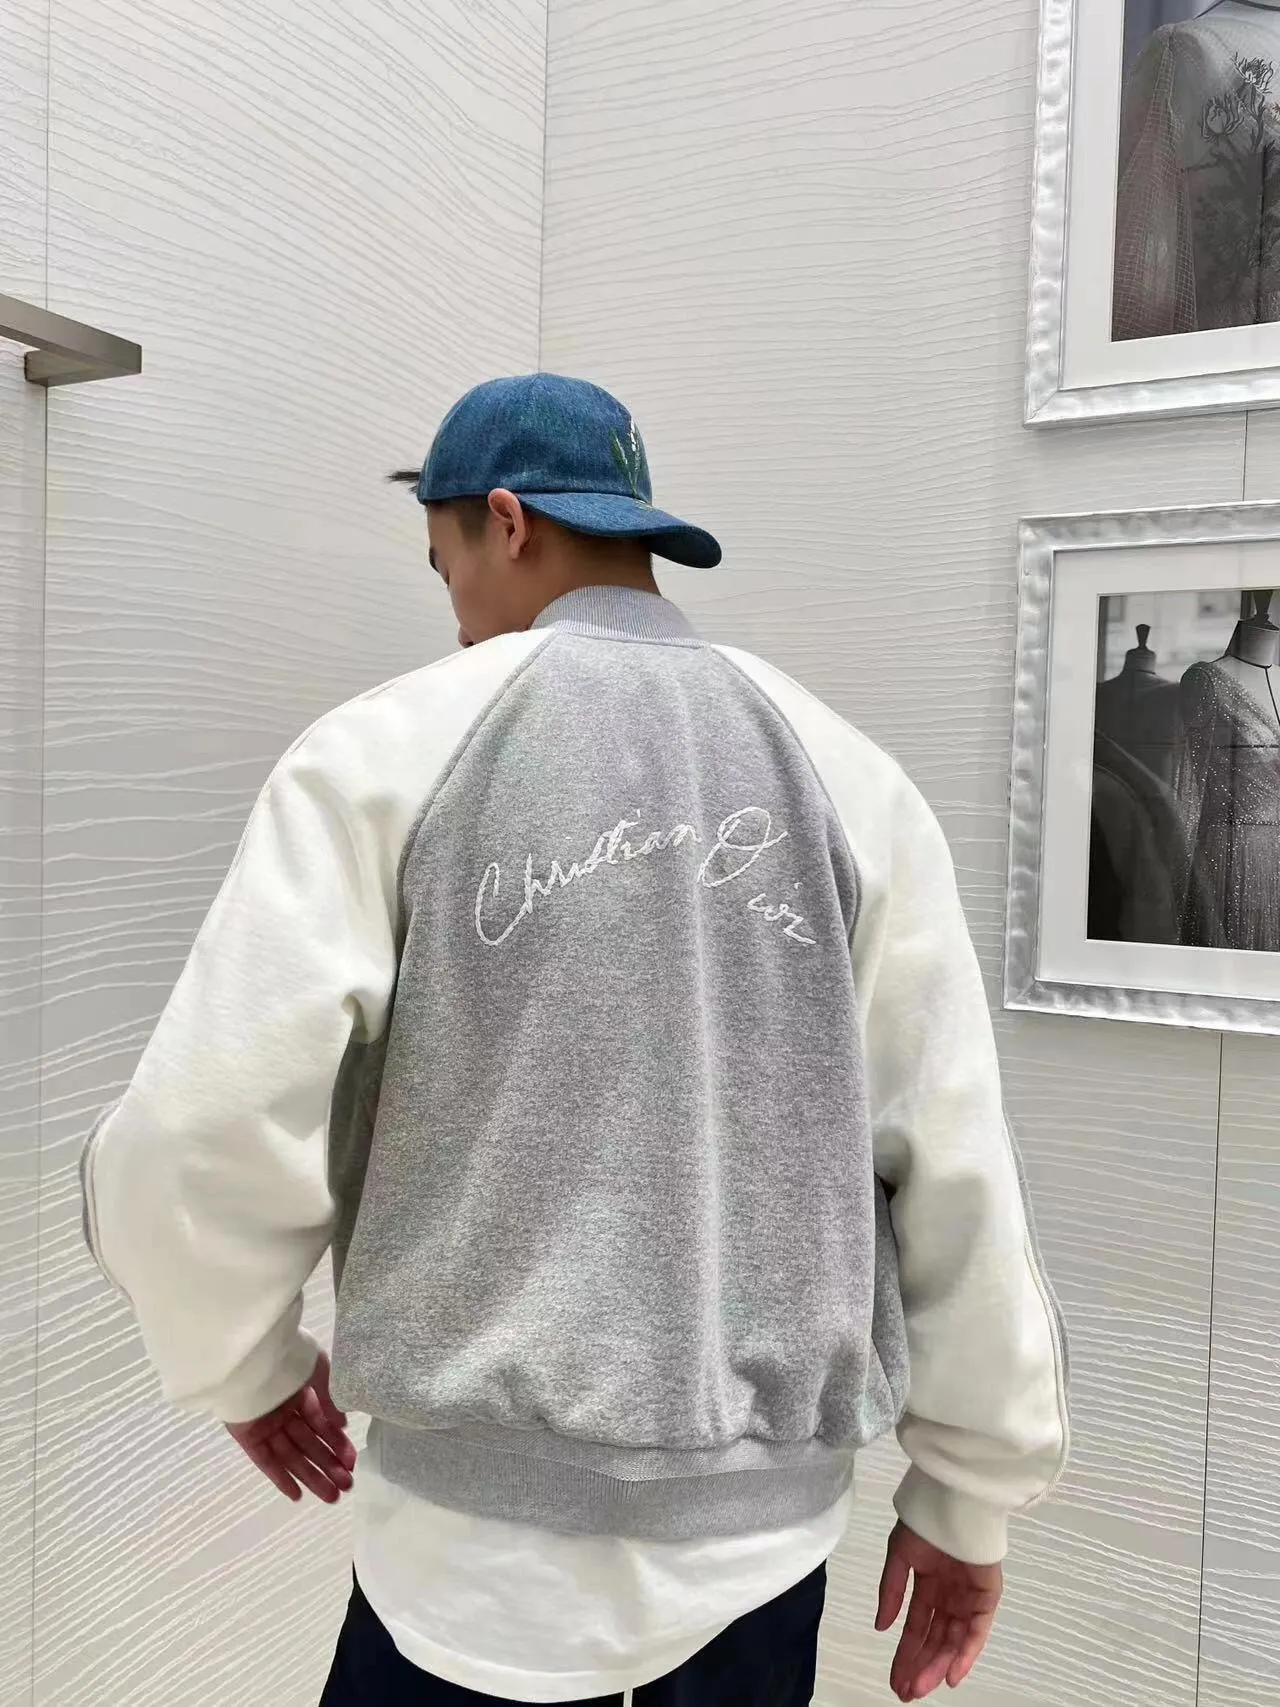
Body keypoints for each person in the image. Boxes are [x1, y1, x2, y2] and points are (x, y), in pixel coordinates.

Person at [79, 373, 1069, 1707]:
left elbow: (200, 1126)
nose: (456, 613)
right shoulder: (851, 777)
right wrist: (967, 1493)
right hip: (759, 1553)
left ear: (506, 521)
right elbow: (950, 1156)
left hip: (472, 1563)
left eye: (445, 566)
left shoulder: (384, 752)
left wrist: (241, 1361)